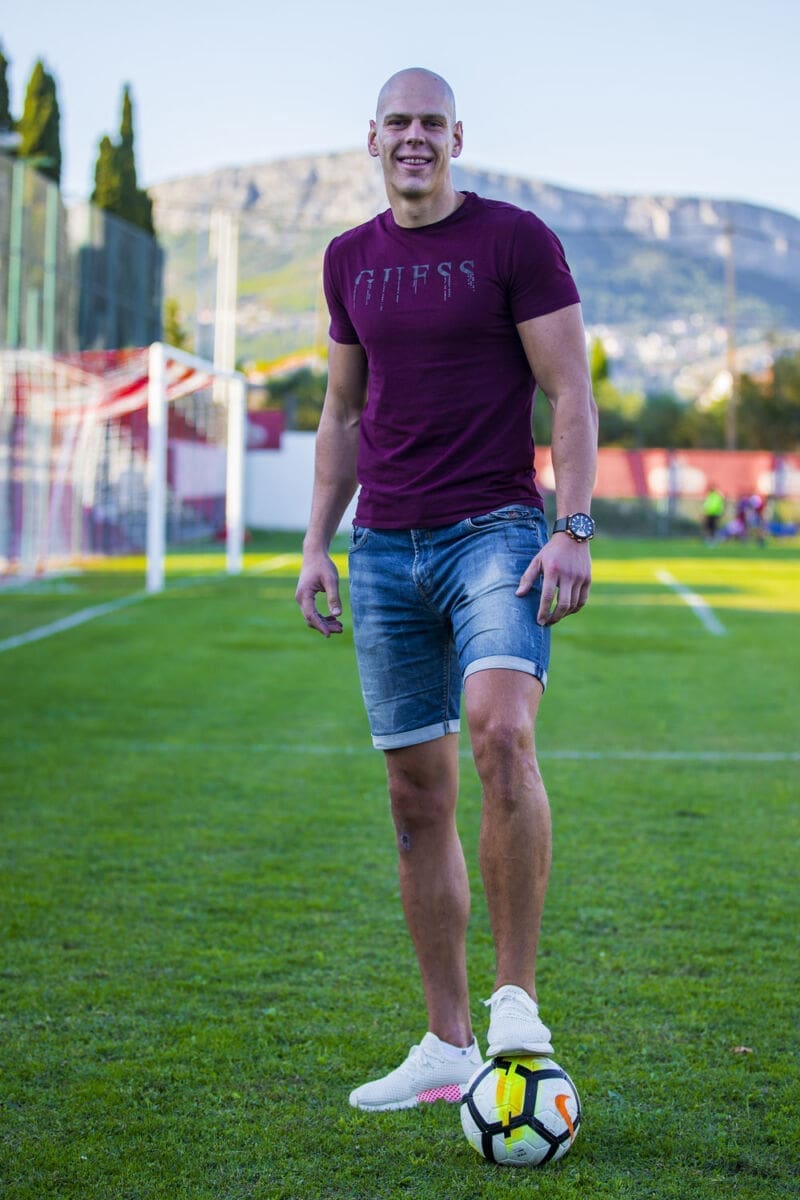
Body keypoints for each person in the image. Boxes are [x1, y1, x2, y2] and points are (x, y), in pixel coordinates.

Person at [295, 67, 598, 1113]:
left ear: (456, 137)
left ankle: (515, 1007)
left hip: (495, 532)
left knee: (501, 733)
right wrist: (315, 545)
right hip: (382, 547)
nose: (414, 137)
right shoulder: (348, 259)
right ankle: (446, 1042)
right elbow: (341, 413)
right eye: (398, 122)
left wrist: (572, 527)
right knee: (414, 799)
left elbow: (569, 389)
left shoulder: (514, 240)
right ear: (371, 138)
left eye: (432, 122)